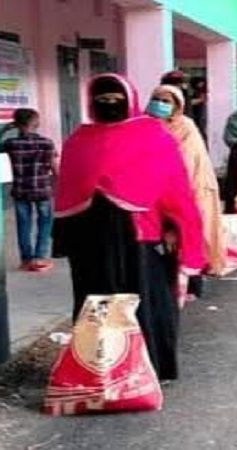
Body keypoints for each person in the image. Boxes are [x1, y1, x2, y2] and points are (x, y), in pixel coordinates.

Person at [53, 74, 205, 381]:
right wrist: (64, 238)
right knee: (96, 301)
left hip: (139, 235)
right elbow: (67, 189)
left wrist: (177, 227)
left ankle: (146, 367)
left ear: (130, 100)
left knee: (144, 298)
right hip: (89, 239)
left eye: (116, 99)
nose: (109, 104)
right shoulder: (80, 139)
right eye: (102, 99)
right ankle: (101, 368)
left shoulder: (154, 136)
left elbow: (175, 187)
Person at [147, 85, 226, 277]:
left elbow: (187, 159)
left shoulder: (186, 127)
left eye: (166, 102)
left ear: (177, 105)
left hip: (188, 186)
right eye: (156, 100)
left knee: (188, 230)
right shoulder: (143, 125)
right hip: (151, 189)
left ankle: (192, 277)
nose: (160, 105)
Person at [2, 108, 57, 272]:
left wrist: (5, 128)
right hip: (43, 189)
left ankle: (26, 260)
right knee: (45, 222)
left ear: (17, 124)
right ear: (35, 122)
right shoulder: (47, 143)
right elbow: (55, 168)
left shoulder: (11, 144)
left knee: (23, 224)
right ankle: (39, 258)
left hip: (21, 190)